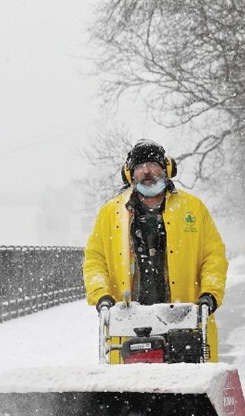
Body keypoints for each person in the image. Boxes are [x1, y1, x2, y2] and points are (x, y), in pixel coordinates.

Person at [83, 139, 228, 361]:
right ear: (129, 174)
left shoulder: (193, 208)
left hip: (184, 321)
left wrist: (210, 294)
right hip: (128, 323)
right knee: (131, 391)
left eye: (153, 165)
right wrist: (101, 296)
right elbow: (95, 260)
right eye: (140, 167)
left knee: (184, 390)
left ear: (167, 169)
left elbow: (213, 256)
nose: (147, 172)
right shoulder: (111, 213)